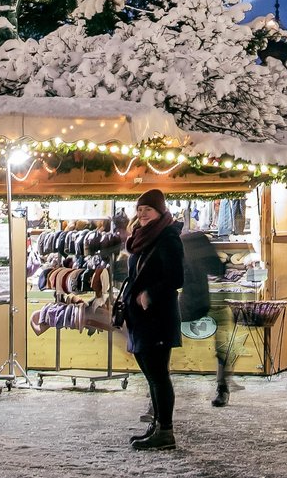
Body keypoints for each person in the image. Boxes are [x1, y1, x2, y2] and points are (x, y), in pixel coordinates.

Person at [119, 188, 184, 451]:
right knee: (151, 375)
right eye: (140, 209)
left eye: (148, 209)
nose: (143, 214)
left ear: (160, 211)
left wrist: (150, 293)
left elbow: (176, 278)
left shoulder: (168, 237)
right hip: (140, 318)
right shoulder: (141, 237)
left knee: (159, 375)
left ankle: (166, 431)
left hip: (158, 317)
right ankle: (157, 425)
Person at [179, 227, 235, 408]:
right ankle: (222, 387)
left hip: (185, 303)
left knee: (162, 343)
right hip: (203, 300)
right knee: (223, 343)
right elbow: (218, 269)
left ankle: (155, 393)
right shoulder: (198, 241)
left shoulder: (180, 244)